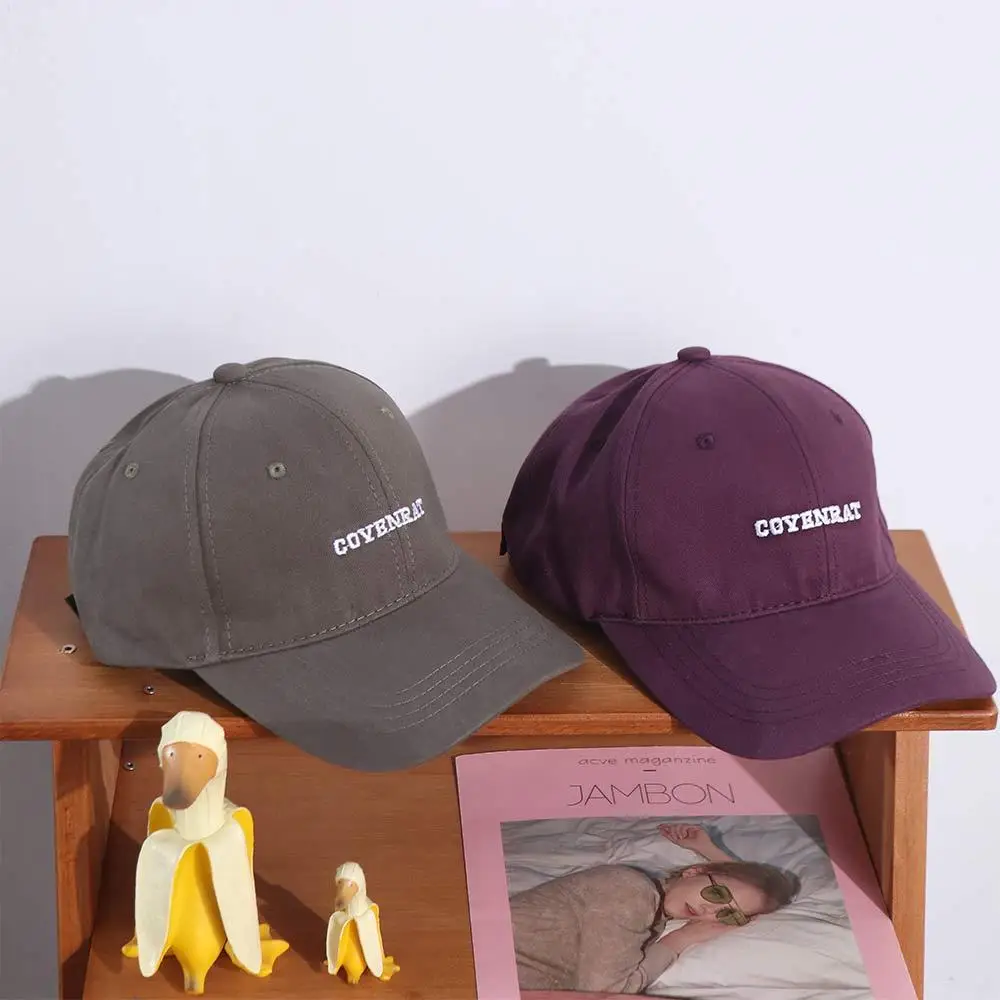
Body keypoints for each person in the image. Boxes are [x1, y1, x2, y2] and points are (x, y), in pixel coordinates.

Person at [509, 822, 800, 995]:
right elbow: (607, 992)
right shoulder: (631, 891)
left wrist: (710, 851)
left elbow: (738, 890)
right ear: (694, 871)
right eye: (716, 893)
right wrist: (682, 939)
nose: (709, 911)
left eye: (726, 913)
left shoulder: (652, 909)